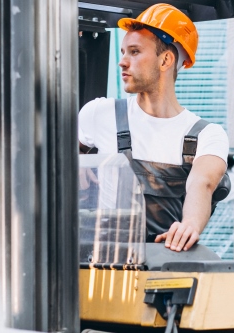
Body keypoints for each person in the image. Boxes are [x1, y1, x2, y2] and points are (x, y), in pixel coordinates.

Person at [78, 4, 229, 252]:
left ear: (166, 60)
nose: (122, 62)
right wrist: (75, 163)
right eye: (123, 51)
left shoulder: (206, 135)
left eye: (135, 52)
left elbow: (202, 183)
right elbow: (55, 164)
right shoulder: (99, 114)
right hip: (104, 261)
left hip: (165, 262)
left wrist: (189, 224)